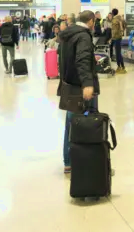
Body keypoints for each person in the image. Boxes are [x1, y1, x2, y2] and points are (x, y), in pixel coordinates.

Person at [57, 10, 100, 174]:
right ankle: (85, 159)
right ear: (90, 21)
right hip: (81, 87)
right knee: (89, 123)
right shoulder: (83, 36)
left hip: (69, 85)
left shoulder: (68, 35)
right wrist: (87, 83)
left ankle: (68, 160)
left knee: (71, 123)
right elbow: (81, 59)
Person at [111, 9, 127, 74]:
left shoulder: (115, 19)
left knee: (117, 53)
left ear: (112, 13)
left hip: (116, 37)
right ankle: (122, 66)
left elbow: (114, 30)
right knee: (118, 52)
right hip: (120, 36)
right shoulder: (121, 19)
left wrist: (112, 37)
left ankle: (119, 66)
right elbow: (125, 25)